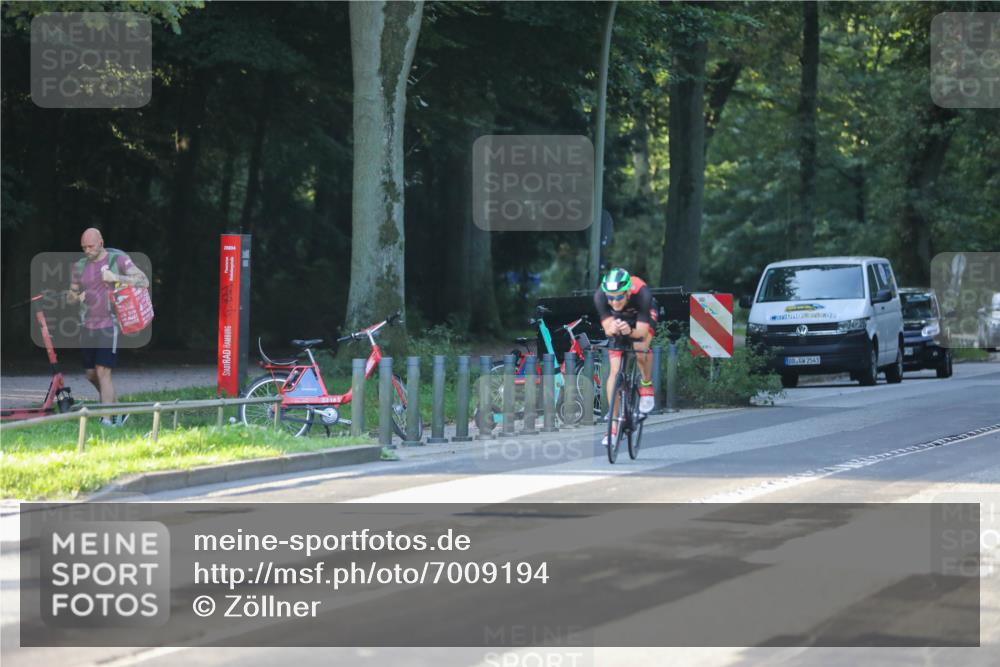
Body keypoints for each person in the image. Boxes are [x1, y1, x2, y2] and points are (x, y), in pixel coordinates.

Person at [66, 228, 148, 426]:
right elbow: (70, 297)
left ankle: (107, 420)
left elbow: (143, 280)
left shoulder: (117, 260)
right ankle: (118, 409)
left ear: (101, 242)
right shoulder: (79, 266)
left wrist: (117, 278)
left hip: (109, 324)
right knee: (91, 374)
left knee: (103, 371)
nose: (87, 250)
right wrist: (77, 297)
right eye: (83, 247)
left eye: (91, 246)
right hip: (88, 325)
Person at [594, 267, 657, 445]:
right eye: (610, 297)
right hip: (620, 319)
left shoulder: (642, 294)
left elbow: (642, 333)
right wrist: (614, 330)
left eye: (619, 297)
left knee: (639, 347)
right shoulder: (600, 296)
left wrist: (630, 331)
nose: (614, 302)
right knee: (614, 372)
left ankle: (646, 385)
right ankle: (613, 427)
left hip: (641, 316)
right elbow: (608, 329)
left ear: (628, 291)